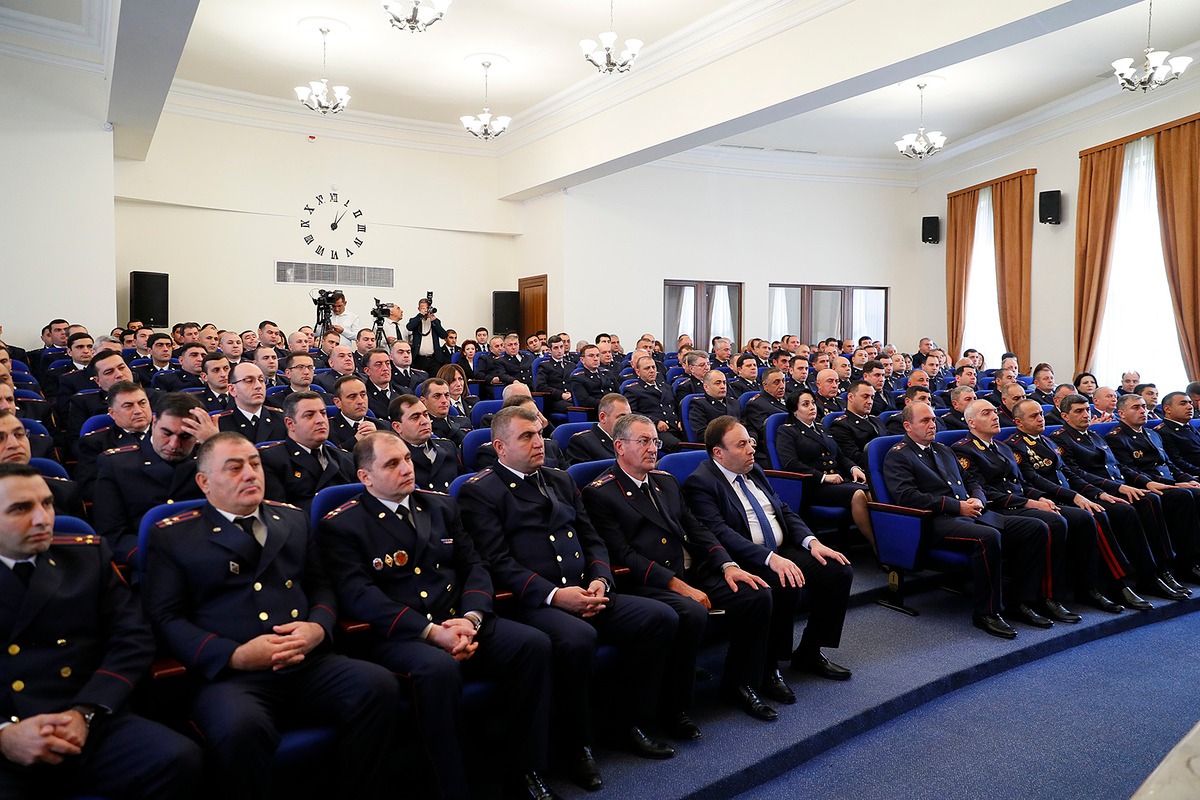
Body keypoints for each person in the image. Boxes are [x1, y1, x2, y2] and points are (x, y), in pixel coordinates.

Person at [142, 432, 398, 800]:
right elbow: (165, 619)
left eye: (255, 464)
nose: (250, 474)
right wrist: (234, 655)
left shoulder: (291, 518)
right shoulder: (174, 535)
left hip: (306, 662)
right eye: (234, 468)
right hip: (232, 675)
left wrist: (317, 627)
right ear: (204, 482)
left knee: (377, 686)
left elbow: (321, 586)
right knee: (241, 726)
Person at [316, 432, 558, 800]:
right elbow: (359, 596)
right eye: (392, 464)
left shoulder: (440, 505)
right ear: (365, 477)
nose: (406, 468)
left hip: (458, 619)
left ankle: (526, 770)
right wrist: (431, 632)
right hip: (402, 634)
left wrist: (471, 618)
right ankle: (451, 788)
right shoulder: (343, 524)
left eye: (407, 459)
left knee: (532, 645)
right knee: (438, 669)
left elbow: (474, 565)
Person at [456, 406, 678, 791]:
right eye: (526, 436)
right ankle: (576, 745)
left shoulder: (559, 479)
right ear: (500, 447)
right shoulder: (481, 491)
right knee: (578, 639)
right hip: (531, 602)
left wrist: (601, 579)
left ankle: (625, 721)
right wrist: (556, 595)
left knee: (659, 619)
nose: (538, 442)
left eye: (539, 434)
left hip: (585, 590)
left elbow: (591, 537)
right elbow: (496, 561)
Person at [0, 464, 204, 799]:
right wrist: (4, 736)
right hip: (9, 737)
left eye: (47, 504)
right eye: (21, 509)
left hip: (83, 714)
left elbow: (133, 638)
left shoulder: (85, 557)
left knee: (179, 759)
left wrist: (85, 711)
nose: (42, 519)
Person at [582, 414, 780, 736]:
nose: (652, 448)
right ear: (619, 446)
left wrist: (728, 565)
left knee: (755, 593)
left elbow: (696, 528)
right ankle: (674, 707)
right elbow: (624, 555)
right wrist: (677, 585)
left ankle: (739, 683)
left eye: (654, 441)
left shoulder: (666, 481)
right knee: (690, 611)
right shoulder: (601, 492)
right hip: (647, 581)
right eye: (643, 441)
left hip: (689, 570)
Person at [684, 416, 854, 682]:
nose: (751, 449)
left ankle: (810, 651)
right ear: (718, 452)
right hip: (744, 559)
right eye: (741, 445)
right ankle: (769, 666)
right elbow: (720, 533)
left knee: (838, 570)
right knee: (785, 582)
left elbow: (782, 509)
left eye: (750, 442)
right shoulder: (701, 482)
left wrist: (812, 542)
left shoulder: (753, 470)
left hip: (779, 549)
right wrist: (769, 558)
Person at [881, 402, 1049, 640]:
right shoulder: (898, 455)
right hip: (935, 521)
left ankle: (1021, 601)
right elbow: (907, 497)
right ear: (908, 426)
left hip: (968, 512)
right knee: (988, 537)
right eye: (925, 421)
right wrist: (957, 506)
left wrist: (978, 498)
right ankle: (987, 612)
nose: (932, 425)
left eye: (933, 419)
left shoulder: (943, 449)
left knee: (1034, 528)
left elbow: (971, 480)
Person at [1005, 399, 1151, 612]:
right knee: (1094, 516)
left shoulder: (1047, 441)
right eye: (1034, 416)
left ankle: (1139, 576)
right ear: (1018, 422)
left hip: (1067, 496)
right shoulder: (1014, 446)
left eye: (1041, 414)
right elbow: (1033, 479)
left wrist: (1097, 493)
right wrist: (1074, 497)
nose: (1040, 419)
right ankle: (1110, 585)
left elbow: (1070, 474)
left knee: (1118, 508)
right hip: (1048, 499)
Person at [952, 400, 1081, 625]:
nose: (995, 416)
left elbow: (1020, 483)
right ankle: (1026, 599)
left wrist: (1040, 497)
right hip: (995, 508)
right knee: (1050, 523)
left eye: (995, 412)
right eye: (986, 413)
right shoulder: (963, 449)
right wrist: (1030, 503)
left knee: (1064, 518)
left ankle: (1050, 594)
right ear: (971, 422)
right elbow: (983, 490)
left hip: (1017, 503)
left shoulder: (1002, 447)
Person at [1050, 393, 1185, 602]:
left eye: (1087, 410)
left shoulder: (1094, 435)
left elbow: (1118, 466)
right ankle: (1139, 577)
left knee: (1149, 499)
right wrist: (1116, 488)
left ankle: (1162, 568)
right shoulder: (1060, 439)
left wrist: (1143, 482)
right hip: (1094, 491)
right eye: (1079, 411)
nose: (1086, 415)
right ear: (1065, 416)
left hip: (1116, 486)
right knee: (1126, 510)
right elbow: (1076, 473)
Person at [93, 392, 215, 564]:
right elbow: (113, 535)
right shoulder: (116, 465)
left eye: (185, 436)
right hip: (153, 560)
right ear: (154, 422)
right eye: (167, 433)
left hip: (212, 555)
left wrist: (214, 443)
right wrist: (163, 558)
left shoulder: (210, 462)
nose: (174, 444)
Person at [1106, 393, 1200, 582]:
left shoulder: (1152, 434)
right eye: (1136, 408)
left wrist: (1188, 478)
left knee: (1195, 489)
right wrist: (1174, 484)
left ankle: (1194, 559)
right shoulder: (1116, 438)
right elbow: (1129, 470)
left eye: (1143, 407)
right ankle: (1184, 564)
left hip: (1167, 481)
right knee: (1184, 496)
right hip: (1148, 485)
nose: (1143, 411)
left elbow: (1169, 464)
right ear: (1121, 413)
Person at [775, 388, 875, 551]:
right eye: (805, 404)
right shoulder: (787, 431)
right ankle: (877, 547)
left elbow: (840, 456)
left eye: (813, 403)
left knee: (871, 491)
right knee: (858, 494)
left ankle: (883, 542)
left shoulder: (822, 428)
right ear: (794, 410)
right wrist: (823, 477)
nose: (812, 407)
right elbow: (790, 463)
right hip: (813, 485)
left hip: (837, 481)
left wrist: (853, 468)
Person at [258, 392, 356, 513]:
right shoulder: (270, 460)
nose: (320, 420)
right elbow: (280, 514)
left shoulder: (346, 458)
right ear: (290, 424)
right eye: (309, 415)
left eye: (323, 413)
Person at [74, 381, 153, 499]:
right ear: (112, 413)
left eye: (142, 403)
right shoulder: (95, 443)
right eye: (128, 406)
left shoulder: (170, 435)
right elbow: (90, 488)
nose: (138, 411)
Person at [389, 393, 461, 493]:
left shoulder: (448, 446)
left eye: (425, 415)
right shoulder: (394, 459)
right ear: (397, 427)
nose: (425, 421)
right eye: (415, 417)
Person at [623, 353, 683, 453]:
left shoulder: (665, 387)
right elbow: (631, 413)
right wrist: (655, 422)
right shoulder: (633, 390)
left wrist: (681, 420)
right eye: (647, 368)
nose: (651, 370)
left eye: (653, 367)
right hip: (655, 431)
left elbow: (676, 406)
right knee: (676, 445)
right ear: (638, 372)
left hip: (676, 427)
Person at [215, 362, 288, 443]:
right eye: (249, 381)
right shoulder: (220, 424)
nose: (258, 386)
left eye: (261, 380)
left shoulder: (282, 419)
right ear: (232, 389)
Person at [829, 379, 885, 473]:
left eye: (872, 397)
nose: (870, 401)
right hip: (867, 471)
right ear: (850, 397)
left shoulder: (877, 420)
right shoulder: (840, 426)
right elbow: (854, 458)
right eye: (865, 397)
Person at [566, 393, 629, 464]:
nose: (627, 422)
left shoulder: (632, 440)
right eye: (621, 417)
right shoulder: (582, 442)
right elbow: (581, 471)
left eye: (629, 417)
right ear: (603, 417)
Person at [743, 368, 788, 466]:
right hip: (778, 449)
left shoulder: (788, 398)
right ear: (765, 386)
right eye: (776, 382)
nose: (782, 386)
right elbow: (767, 433)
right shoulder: (756, 405)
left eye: (783, 381)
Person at [687, 370, 740, 443]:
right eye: (717, 383)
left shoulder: (734, 402)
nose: (723, 386)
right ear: (706, 387)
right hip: (718, 445)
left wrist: (752, 439)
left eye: (724, 382)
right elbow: (701, 435)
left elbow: (744, 424)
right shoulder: (699, 405)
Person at [1158, 391, 1200, 475]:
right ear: (1167, 409)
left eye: (1190, 403)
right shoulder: (1163, 432)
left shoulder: (1192, 427)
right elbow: (1176, 462)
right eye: (1183, 404)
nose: (1190, 407)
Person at [535, 335, 576, 417]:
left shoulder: (571, 365)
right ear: (550, 350)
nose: (560, 350)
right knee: (575, 409)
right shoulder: (545, 366)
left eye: (561, 347)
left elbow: (577, 383)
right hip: (555, 400)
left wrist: (572, 394)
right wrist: (561, 394)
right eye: (556, 348)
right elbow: (540, 386)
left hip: (572, 398)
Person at [421, 377, 469, 446]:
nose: (444, 400)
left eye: (447, 395)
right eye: (437, 396)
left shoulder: (464, 421)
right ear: (423, 401)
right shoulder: (423, 428)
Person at [568, 344, 615, 409]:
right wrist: (607, 404)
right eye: (591, 356)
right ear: (582, 360)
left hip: (614, 407)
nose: (595, 359)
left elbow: (618, 391)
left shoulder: (607, 373)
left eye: (597, 355)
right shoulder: (578, 378)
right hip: (596, 410)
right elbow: (585, 400)